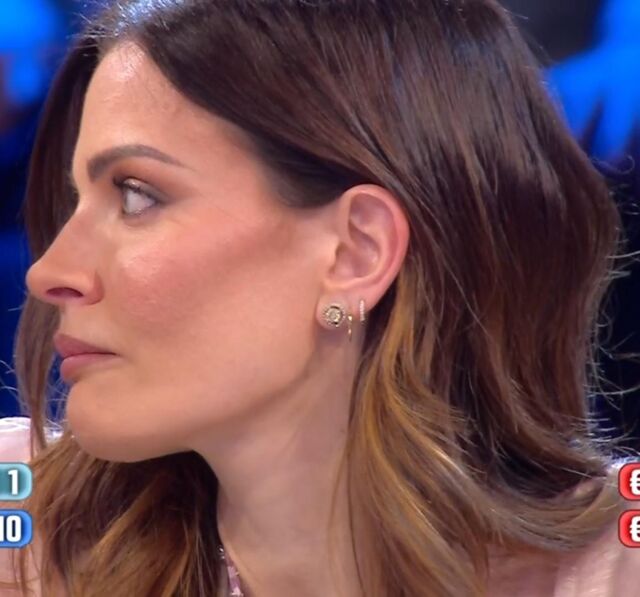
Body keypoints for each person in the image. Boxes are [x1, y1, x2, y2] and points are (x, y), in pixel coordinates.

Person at [0, 0, 639, 595]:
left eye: (137, 196)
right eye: (77, 201)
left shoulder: (617, 564)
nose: (50, 272)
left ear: (355, 254)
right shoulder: (21, 513)